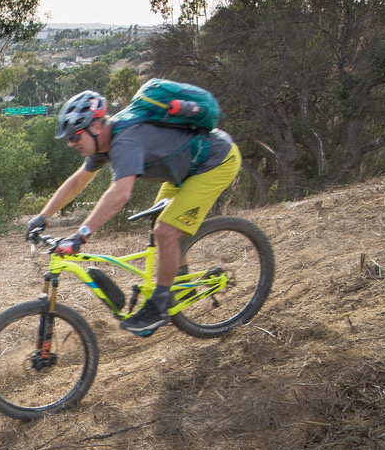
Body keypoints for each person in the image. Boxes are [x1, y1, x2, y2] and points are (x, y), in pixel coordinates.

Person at [26, 89, 240, 336]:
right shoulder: (101, 146)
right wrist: (44, 216)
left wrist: (81, 234)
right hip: (183, 170)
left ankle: (159, 306)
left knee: (166, 231)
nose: (71, 143)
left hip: (215, 161)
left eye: (75, 135)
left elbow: (120, 193)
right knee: (164, 226)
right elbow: (77, 181)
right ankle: (180, 291)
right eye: (69, 138)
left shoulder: (125, 140)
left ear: (96, 127)